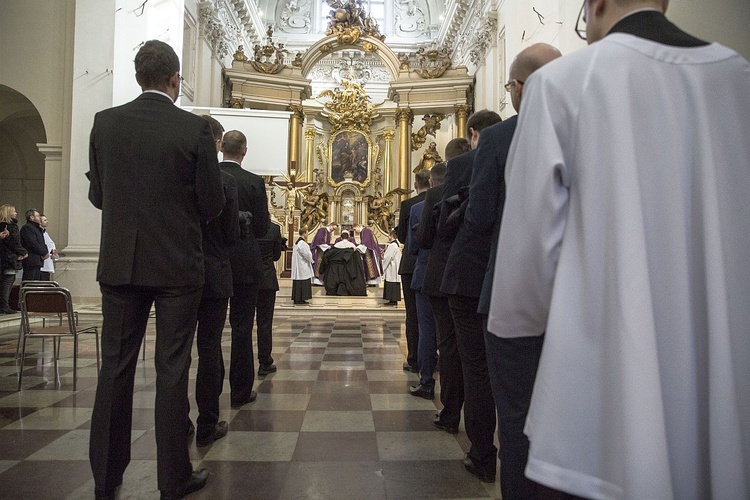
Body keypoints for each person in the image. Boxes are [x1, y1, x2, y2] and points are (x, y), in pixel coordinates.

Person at [488, 2, 750, 499]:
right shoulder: (739, 77)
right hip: (726, 372)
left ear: (597, 4)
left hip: (601, 385)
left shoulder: (561, 84)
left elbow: (522, 285)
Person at [87, 40, 224, 500]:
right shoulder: (194, 130)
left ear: (137, 76)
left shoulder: (105, 124)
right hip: (178, 267)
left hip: (122, 263)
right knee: (172, 369)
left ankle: (106, 479)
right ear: (174, 79)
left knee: (115, 369)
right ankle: (173, 478)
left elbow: (98, 196)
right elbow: (210, 203)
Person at [465, 44, 561, 500]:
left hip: (512, 291)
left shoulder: (500, 139)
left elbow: (480, 217)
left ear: (520, 88)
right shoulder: (589, 126)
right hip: (576, 296)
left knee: (518, 417)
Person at [440, 109, 502, 484]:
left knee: (474, 365)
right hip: (513, 270)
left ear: (473, 133)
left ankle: (482, 453)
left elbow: (447, 224)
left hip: (467, 272)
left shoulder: (463, 164)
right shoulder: (527, 145)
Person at [192, 114, 240, 449]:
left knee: (176, 353)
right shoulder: (225, 183)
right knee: (209, 349)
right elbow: (232, 236)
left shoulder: (179, 173)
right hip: (213, 272)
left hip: (179, 271)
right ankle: (207, 424)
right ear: (218, 143)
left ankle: (179, 421)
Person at [219, 130, 270, 410]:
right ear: (244, 151)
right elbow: (262, 228)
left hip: (213, 260)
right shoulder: (253, 182)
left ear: (221, 148)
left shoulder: (209, 175)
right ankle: (240, 390)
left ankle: (210, 397)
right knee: (242, 327)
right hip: (245, 262)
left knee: (209, 332)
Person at [407, 163, 447, 401]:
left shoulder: (418, 208)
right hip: (450, 274)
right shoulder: (461, 200)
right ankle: (452, 393)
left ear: (430, 183)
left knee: (427, 331)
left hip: (424, 274)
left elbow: (413, 246)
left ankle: (426, 382)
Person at [396, 170, 430, 373]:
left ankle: (415, 358)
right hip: (431, 263)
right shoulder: (438, 198)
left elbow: (401, 237)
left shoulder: (408, 205)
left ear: (416, 185)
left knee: (413, 314)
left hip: (410, 264)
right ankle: (431, 357)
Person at [255, 221, 283, 375]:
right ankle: (264, 361)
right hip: (266, 279)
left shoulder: (244, 225)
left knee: (241, 326)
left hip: (246, 278)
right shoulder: (273, 228)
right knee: (265, 323)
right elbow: (276, 256)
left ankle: (240, 369)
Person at [0, 205, 27, 314]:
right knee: (8, 281)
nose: (16, 213)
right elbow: (14, 242)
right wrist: (23, 252)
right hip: (9, 258)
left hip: (3, 257)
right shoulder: (11, 226)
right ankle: (4, 305)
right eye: (14, 211)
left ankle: (4, 304)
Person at [19, 209, 49, 282]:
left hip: (37, 260)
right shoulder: (27, 228)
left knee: (35, 283)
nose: (39, 218)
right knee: (29, 282)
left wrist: (46, 252)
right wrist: (44, 252)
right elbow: (33, 243)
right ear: (32, 217)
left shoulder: (37, 229)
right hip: (31, 259)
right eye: (38, 216)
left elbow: (42, 243)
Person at [291, 228, 314, 304]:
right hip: (302, 265)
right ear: (304, 233)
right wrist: (311, 260)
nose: (307, 234)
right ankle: (300, 299)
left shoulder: (297, 243)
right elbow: (306, 254)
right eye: (307, 233)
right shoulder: (302, 243)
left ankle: (297, 298)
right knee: (303, 281)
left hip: (299, 265)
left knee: (299, 281)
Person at [381, 230, 402, 306]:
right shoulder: (396, 244)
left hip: (392, 267)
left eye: (388, 235)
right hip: (394, 266)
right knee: (393, 282)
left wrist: (382, 268)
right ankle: (392, 300)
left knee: (392, 282)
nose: (387, 237)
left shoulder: (392, 245)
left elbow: (388, 257)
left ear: (391, 236)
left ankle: (393, 300)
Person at [39, 214, 57, 280]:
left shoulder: (46, 234)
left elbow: (51, 246)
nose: (47, 221)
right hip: (43, 264)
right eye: (45, 220)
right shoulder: (39, 234)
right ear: (40, 222)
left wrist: (54, 253)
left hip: (48, 262)